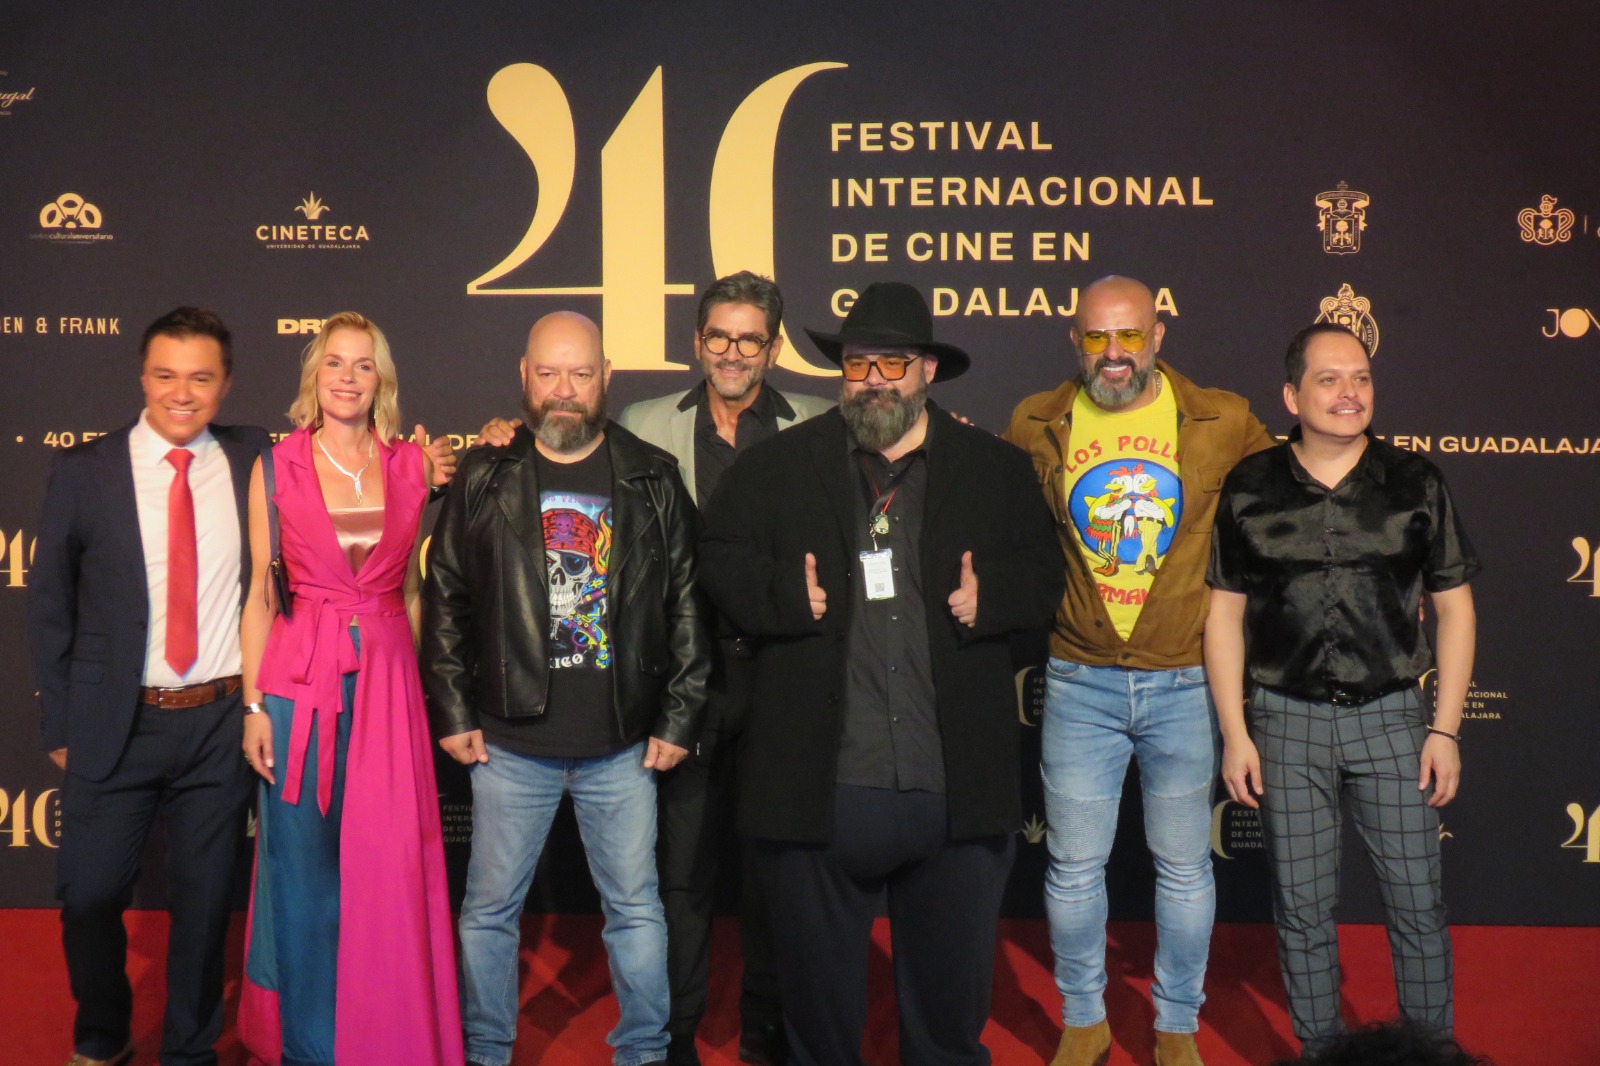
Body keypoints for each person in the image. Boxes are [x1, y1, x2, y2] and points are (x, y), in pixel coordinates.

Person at [698, 282, 1062, 1066]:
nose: (873, 379)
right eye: (857, 363)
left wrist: (989, 598)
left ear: (928, 369)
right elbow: (717, 567)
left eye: (892, 362)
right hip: (817, 798)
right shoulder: (776, 468)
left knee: (947, 1030)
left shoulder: (994, 469)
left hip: (954, 798)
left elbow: (1045, 579)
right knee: (819, 1033)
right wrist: (783, 600)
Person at [471, 272, 829, 1066]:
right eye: (717, 337)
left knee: (777, 870)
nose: (732, 352)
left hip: (783, 681)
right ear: (697, 342)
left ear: (773, 347)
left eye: (749, 339)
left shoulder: (819, 422)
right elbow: (560, 454)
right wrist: (505, 437)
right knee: (680, 876)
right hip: (681, 683)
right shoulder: (643, 423)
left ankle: (768, 1031)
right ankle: (673, 1040)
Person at [423, 311, 708, 1066]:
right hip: (510, 743)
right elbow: (446, 595)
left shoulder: (651, 475)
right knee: (488, 914)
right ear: (524, 377)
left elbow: (686, 604)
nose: (564, 391)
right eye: (548, 373)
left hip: (623, 745)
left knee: (636, 911)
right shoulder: (486, 474)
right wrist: (452, 709)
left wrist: (677, 719)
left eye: (581, 374)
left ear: (606, 377)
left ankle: (644, 1052)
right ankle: (486, 1051)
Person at [1005, 275, 1275, 1066]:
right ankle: (1084, 1018)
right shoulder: (1035, 422)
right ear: (1075, 341)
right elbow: (997, 529)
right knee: (1074, 866)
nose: (1114, 354)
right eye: (1097, 337)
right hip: (1080, 678)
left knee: (1186, 869)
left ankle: (1177, 1025)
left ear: (1159, 335)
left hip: (1187, 679)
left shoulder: (1223, 421)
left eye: (1129, 336)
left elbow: (1288, 506)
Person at [1205, 323, 1477, 1058]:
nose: (1348, 393)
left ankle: (1434, 1053)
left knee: (1418, 905)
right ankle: (1320, 1053)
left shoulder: (1415, 481)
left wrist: (1445, 729)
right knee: (1302, 911)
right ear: (1292, 394)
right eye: (1328, 379)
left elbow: (1453, 609)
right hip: (1283, 726)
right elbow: (1224, 616)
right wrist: (1235, 733)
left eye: (1360, 377)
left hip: (1393, 722)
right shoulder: (1250, 485)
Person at [29, 307, 269, 1066]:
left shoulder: (256, 458)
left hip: (218, 725)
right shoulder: (85, 468)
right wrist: (63, 727)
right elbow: (49, 606)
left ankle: (188, 1051)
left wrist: (464, 457)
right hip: (115, 723)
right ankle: (102, 1033)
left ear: (225, 385)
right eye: (166, 376)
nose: (181, 393)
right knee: (90, 895)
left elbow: (359, 471)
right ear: (142, 377)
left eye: (200, 378)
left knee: (203, 910)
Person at [234, 312, 464, 1065]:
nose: (346, 376)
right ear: (314, 375)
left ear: (381, 381)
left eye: (363, 365)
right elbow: (262, 597)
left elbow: (420, 591)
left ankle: (389, 1039)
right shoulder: (277, 465)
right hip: (300, 682)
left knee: (389, 869)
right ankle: (310, 1046)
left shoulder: (413, 466)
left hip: (391, 683)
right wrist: (253, 706)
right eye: (334, 362)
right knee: (303, 872)